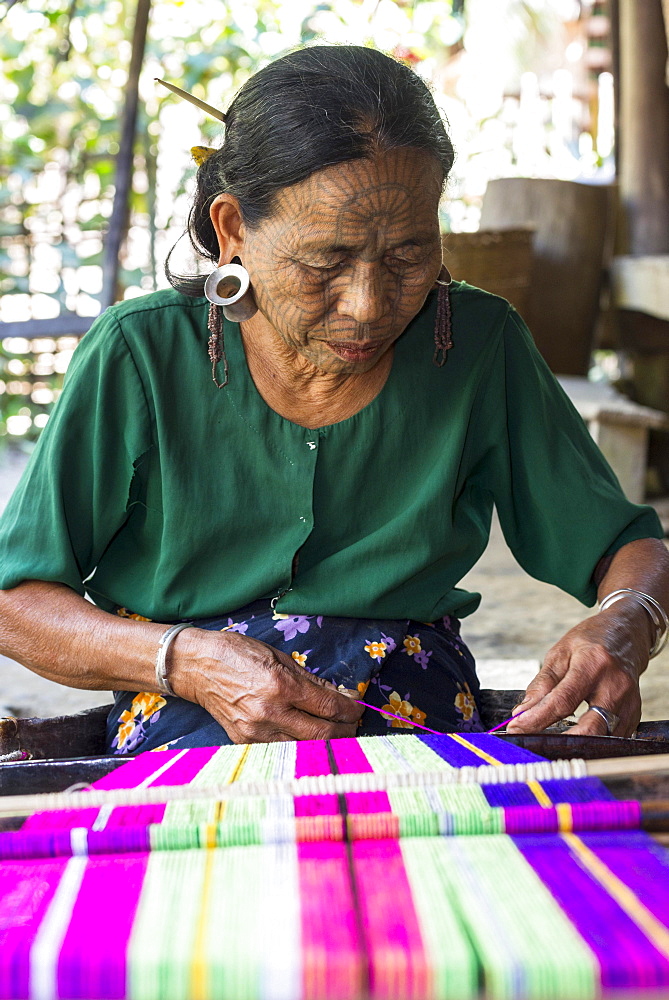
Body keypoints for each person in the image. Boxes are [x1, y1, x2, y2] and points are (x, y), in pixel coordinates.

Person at [0, 45, 667, 754]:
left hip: (416, 701)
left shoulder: (477, 343)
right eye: (325, 261)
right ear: (232, 231)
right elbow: (17, 603)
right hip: (191, 710)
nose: (369, 305)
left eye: (409, 257)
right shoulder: (139, 355)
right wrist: (183, 660)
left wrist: (627, 616)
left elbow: (625, 545)